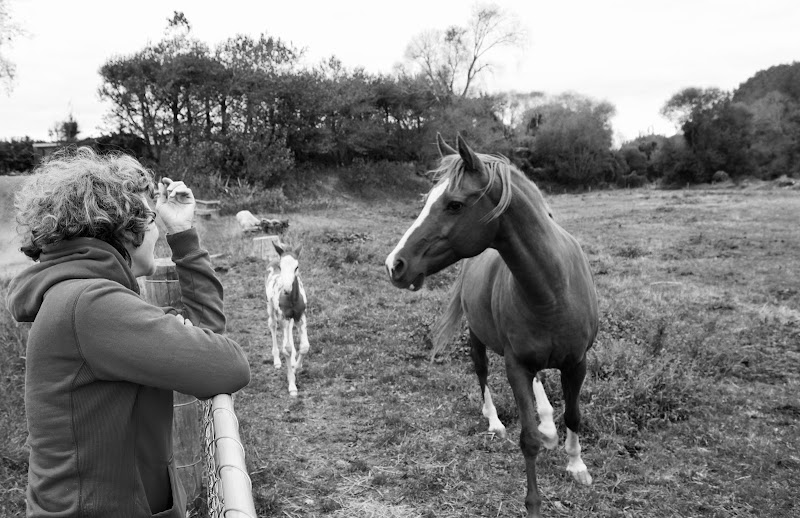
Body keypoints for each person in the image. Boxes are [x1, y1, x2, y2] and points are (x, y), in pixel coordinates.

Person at [5, 147, 251, 517]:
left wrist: (183, 232)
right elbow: (229, 365)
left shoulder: (87, 297)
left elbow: (204, 341)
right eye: (152, 219)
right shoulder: (91, 305)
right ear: (121, 227)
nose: (156, 232)